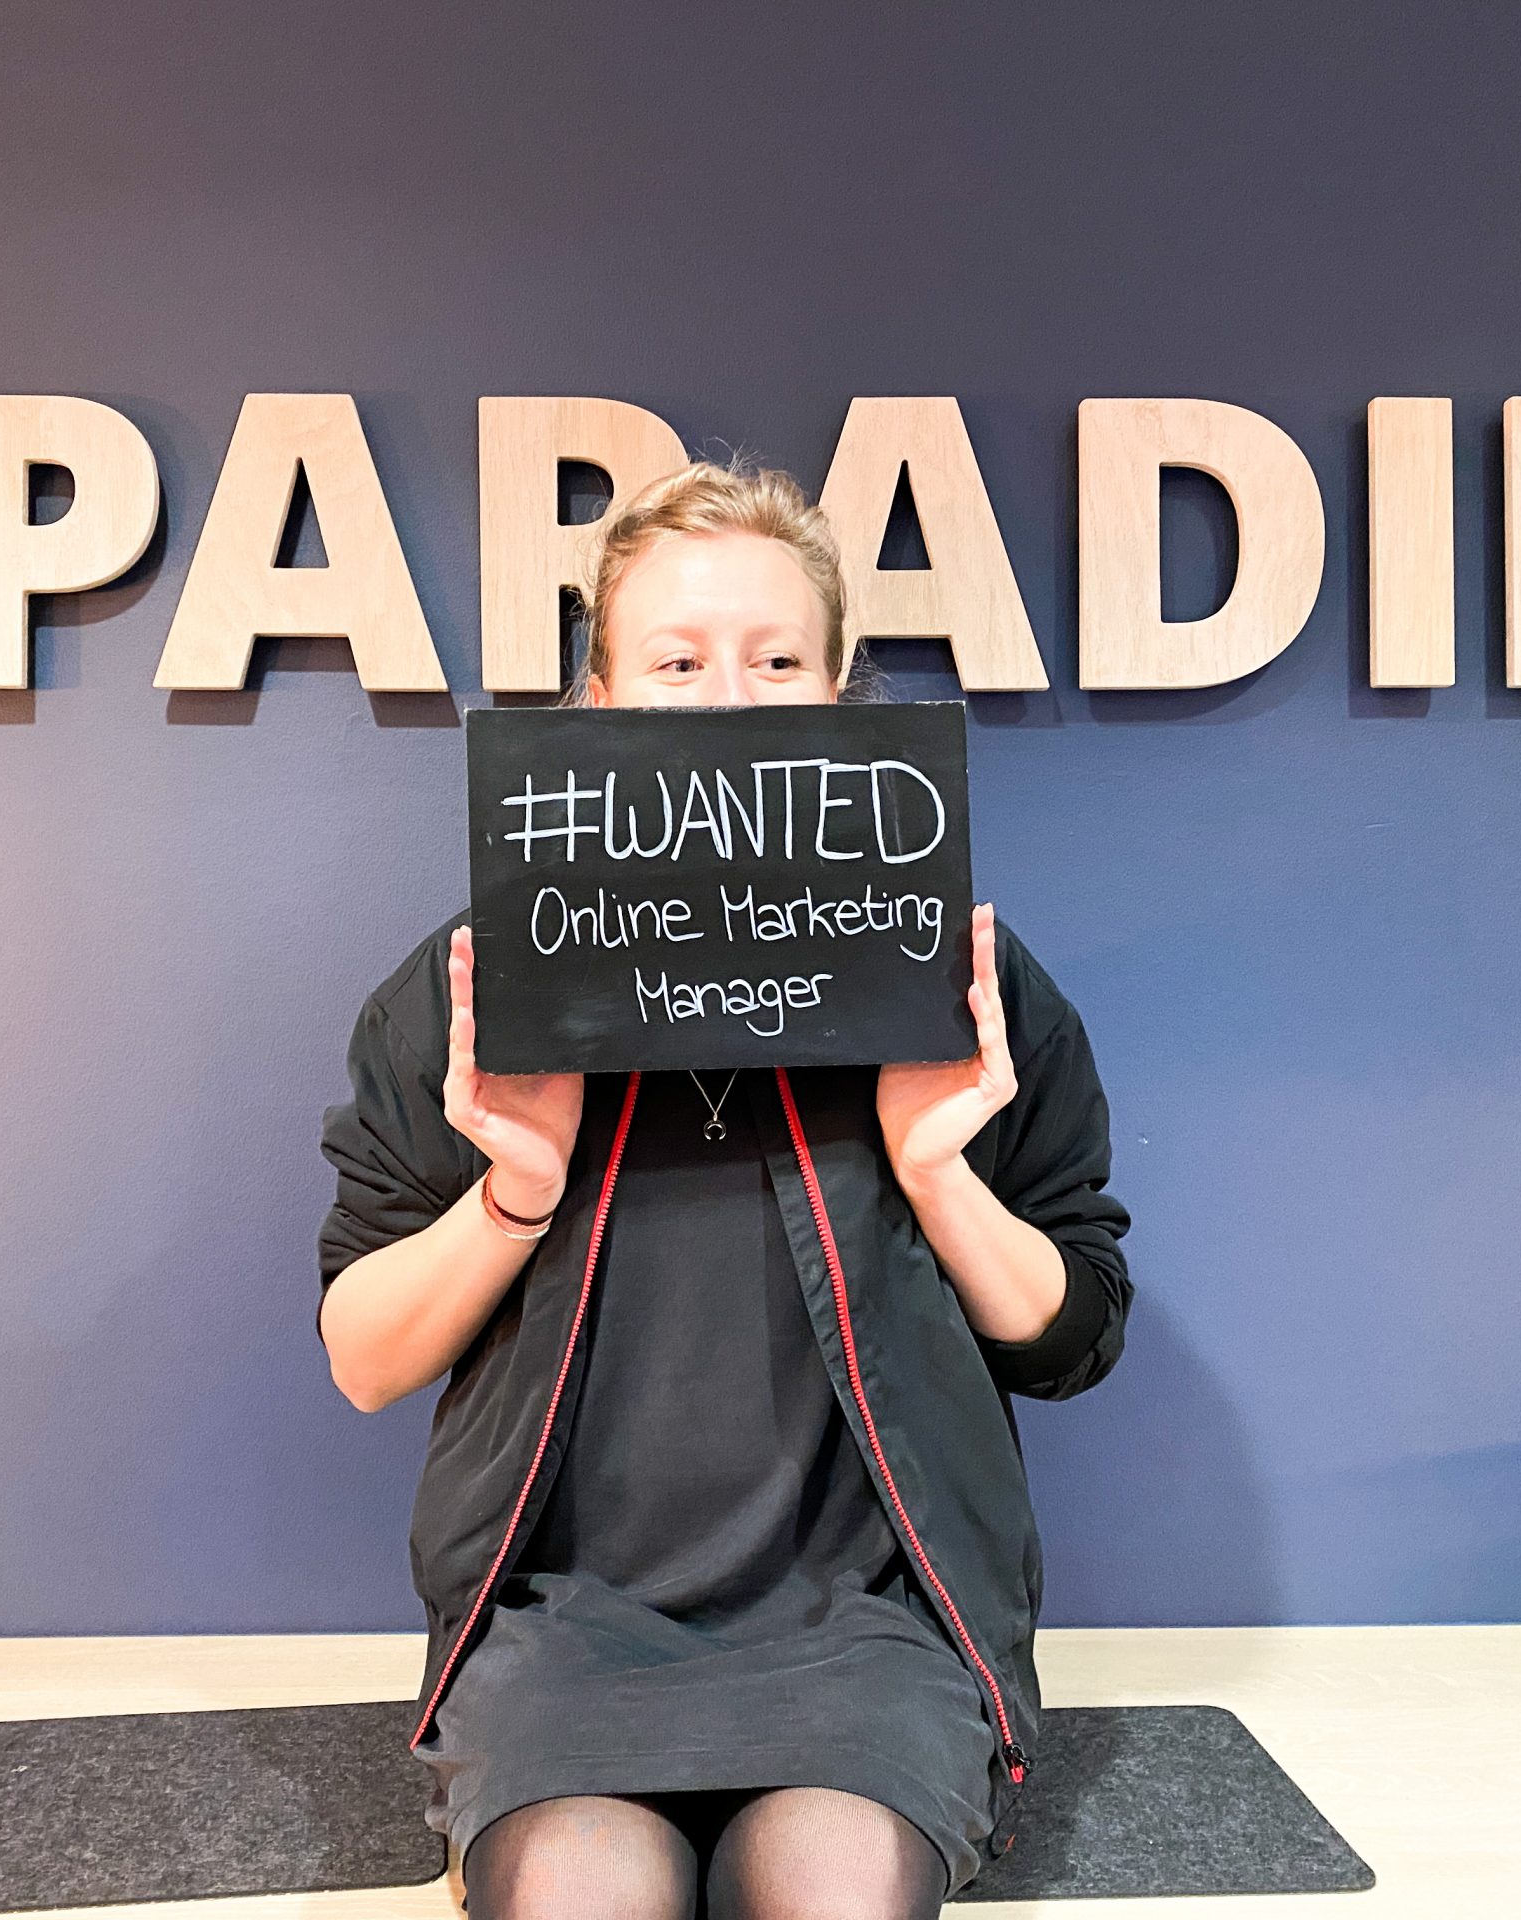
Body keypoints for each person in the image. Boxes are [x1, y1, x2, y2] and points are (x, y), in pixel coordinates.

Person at [316, 461, 1132, 1919]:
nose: (727, 700)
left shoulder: (954, 978)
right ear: (600, 698)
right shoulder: (477, 988)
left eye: (776, 660)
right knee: (583, 1896)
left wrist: (938, 1175)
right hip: (564, 1627)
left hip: (872, 1625)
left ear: (837, 694)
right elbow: (364, 1358)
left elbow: (1074, 1339)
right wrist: (510, 1197)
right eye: (676, 663)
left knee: (831, 1893)